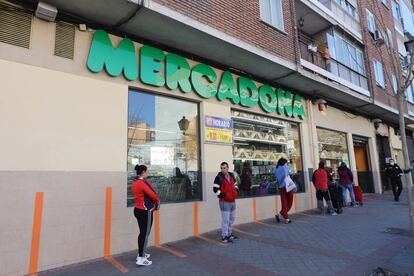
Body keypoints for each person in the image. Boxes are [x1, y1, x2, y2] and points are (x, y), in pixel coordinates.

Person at [132, 165, 160, 266]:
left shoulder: (135, 182)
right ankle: (141, 258)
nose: (148, 173)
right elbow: (152, 194)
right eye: (147, 171)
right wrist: (158, 201)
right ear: (143, 172)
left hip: (138, 210)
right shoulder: (141, 183)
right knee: (145, 234)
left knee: (142, 233)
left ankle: (141, 253)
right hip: (145, 211)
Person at [213, 162, 239, 243]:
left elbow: (235, 184)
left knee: (232, 219)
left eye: (224, 168)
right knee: (226, 220)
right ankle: (224, 236)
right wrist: (223, 195)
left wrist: (236, 191)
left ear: (228, 168)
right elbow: (215, 189)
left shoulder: (231, 176)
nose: (222, 169)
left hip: (232, 201)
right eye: (221, 168)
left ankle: (229, 234)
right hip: (224, 202)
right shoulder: (218, 177)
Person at [275, 158, 294, 224]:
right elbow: (287, 175)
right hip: (287, 186)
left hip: (281, 187)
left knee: (284, 202)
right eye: (286, 162)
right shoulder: (284, 168)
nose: (286, 164)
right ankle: (285, 217)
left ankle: (281, 215)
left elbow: (278, 179)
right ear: (284, 163)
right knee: (290, 202)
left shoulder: (276, 169)